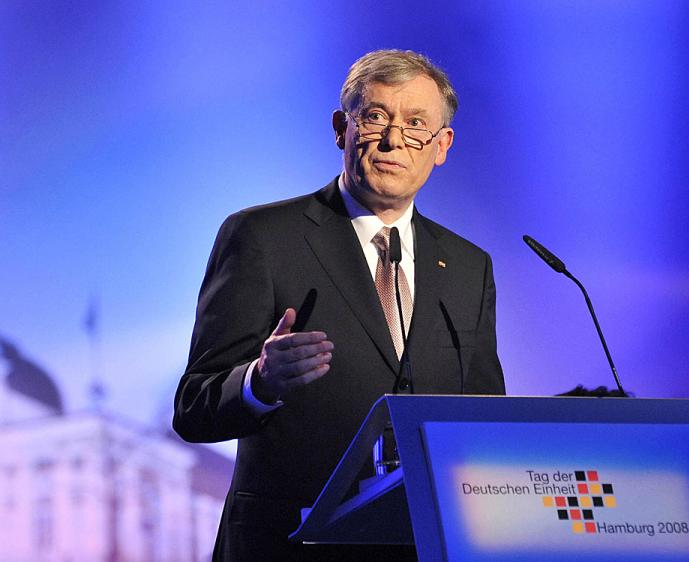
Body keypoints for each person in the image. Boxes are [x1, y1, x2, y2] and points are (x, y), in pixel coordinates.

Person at [173, 49, 505, 561]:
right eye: (375, 117)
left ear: (442, 146)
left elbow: (483, 420)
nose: (395, 140)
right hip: (290, 544)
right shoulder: (263, 237)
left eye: (416, 124)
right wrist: (259, 383)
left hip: (423, 545)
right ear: (340, 129)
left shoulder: (467, 267)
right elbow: (194, 408)